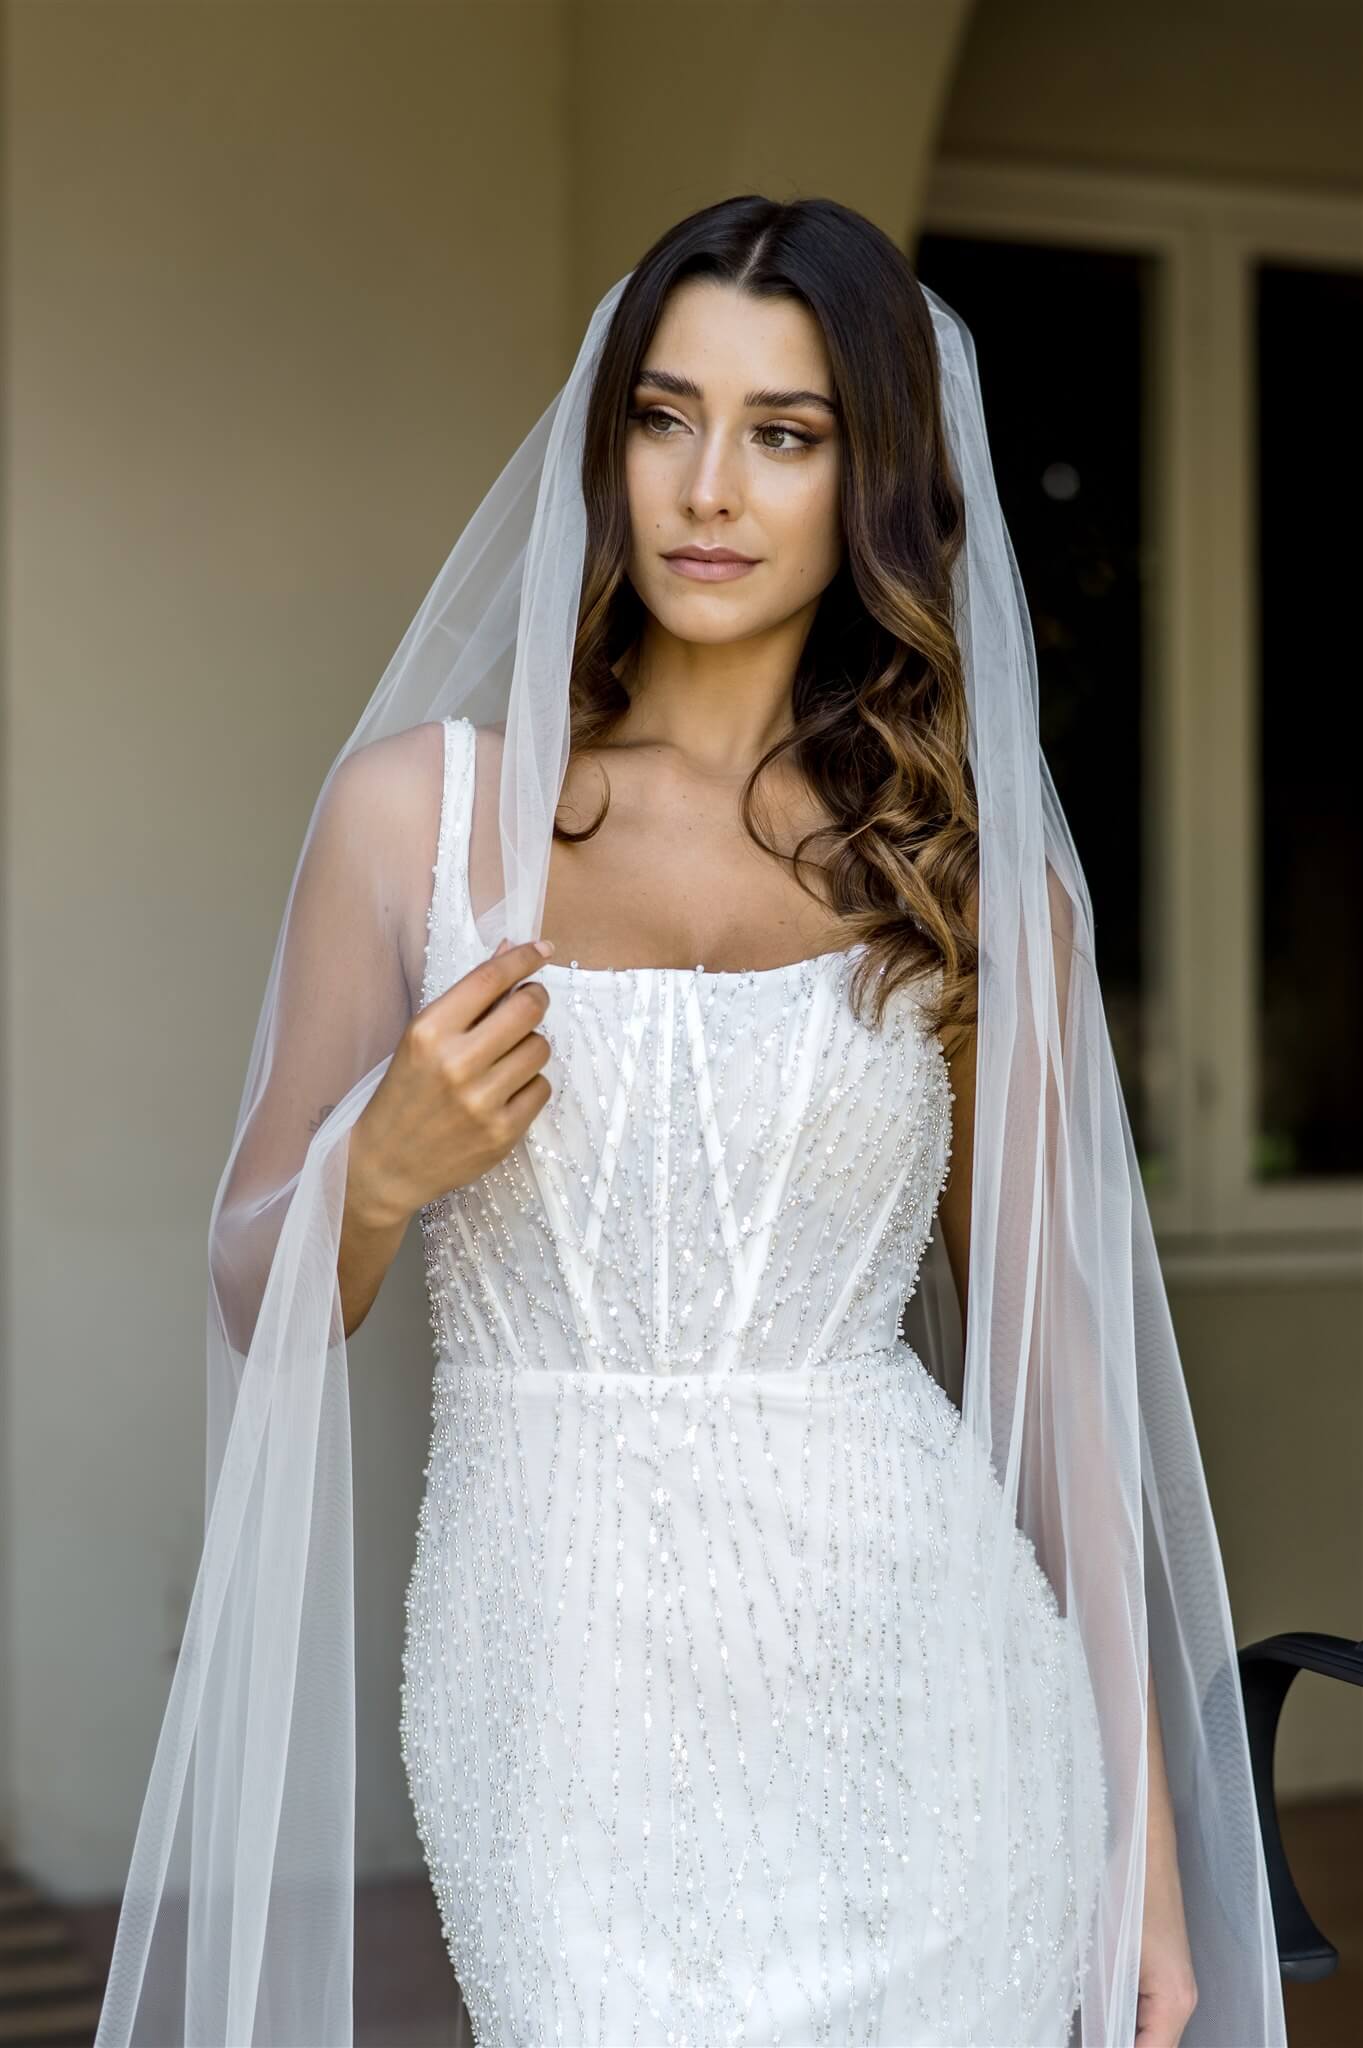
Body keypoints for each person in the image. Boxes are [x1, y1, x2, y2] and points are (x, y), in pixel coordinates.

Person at [94, 196, 1287, 2048]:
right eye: (665, 418)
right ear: (609, 445)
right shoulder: (420, 826)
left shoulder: (963, 877)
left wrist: (1145, 1853)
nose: (709, 486)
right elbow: (254, 1294)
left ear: (871, 478)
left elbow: (1057, 1393)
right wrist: (377, 1167)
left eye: (785, 435)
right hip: (555, 1711)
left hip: (938, 1705)